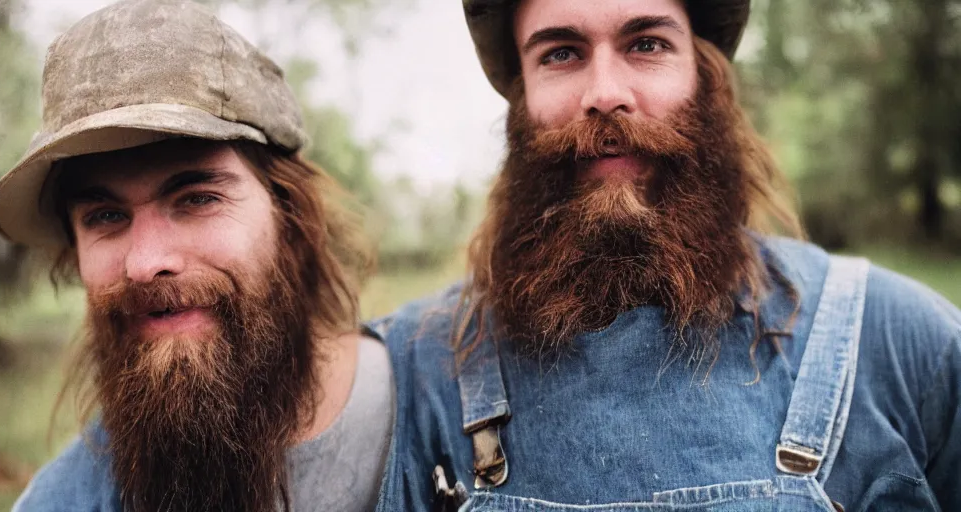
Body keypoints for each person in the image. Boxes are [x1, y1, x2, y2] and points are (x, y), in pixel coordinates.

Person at [373, 0, 961, 510]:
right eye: (560, 53)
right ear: (520, 97)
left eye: (647, 43)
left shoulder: (898, 345)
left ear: (705, 78)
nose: (605, 93)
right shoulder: (409, 378)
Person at [0, 1, 392, 510]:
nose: (145, 263)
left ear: (290, 217)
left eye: (198, 199)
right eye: (105, 216)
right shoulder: (57, 502)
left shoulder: (459, 408)